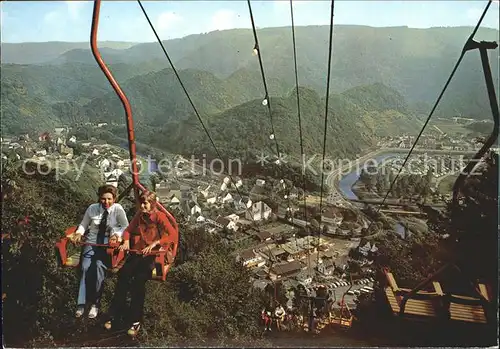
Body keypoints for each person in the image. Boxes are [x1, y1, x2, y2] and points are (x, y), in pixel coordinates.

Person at [104, 191, 174, 336]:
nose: (142, 206)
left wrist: (156, 243)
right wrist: (127, 240)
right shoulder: (140, 216)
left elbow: (171, 234)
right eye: (141, 203)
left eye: (145, 203)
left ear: (152, 204)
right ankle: (114, 314)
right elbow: (128, 230)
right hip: (139, 252)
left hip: (152, 255)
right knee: (123, 277)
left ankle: (136, 320)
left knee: (138, 282)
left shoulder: (159, 217)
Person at [70, 184, 129, 319]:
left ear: (114, 199)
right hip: (91, 243)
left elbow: (126, 226)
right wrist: (79, 233)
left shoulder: (117, 210)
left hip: (106, 245)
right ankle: (81, 303)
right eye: (103, 199)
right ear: (99, 198)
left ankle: (95, 303)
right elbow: (84, 224)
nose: (106, 202)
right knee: (84, 268)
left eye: (109, 199)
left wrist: (117, 235)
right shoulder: (92, 209)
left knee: (98, 268)